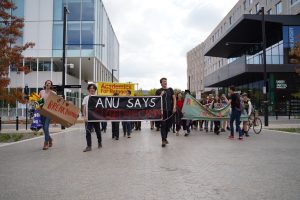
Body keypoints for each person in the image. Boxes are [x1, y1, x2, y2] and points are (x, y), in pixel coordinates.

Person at [155, 78, 176, 147]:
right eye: (164, 81)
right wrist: (160, 95)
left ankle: (165, 138)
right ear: (161, 83)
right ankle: (163, 140)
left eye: (166, 81)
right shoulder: (158, 91)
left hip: (169, 110)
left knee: (168, 126)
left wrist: (174, 107)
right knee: (163, 125)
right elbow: (155, 100)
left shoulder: (170, 90)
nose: (165, 82)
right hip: (162, 111)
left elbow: (174, 99)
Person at [82, 84, 102, 152]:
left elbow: (101, 108)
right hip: (88, 118)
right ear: (88, 89)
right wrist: (84, 116)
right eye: (90, 88)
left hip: (96, 118)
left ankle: (99, 142)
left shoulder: (98, 98)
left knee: (98, 131)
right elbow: (84, 108)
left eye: (93, 88)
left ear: (95, 90)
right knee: (88, 131)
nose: (92, 89)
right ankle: (89, 146)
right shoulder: (85, 98)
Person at [39, 80, 55, 150]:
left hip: (49, 113)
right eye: (47, 83)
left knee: (46, 127)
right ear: (45, 85)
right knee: (44, 128)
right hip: (42, 112)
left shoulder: (53, 93)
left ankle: (46, 143)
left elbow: (56, 103)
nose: (48, 84)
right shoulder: (41, 92)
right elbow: (39, 101)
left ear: (51, 85)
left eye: (50, 84)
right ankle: (50, 139)